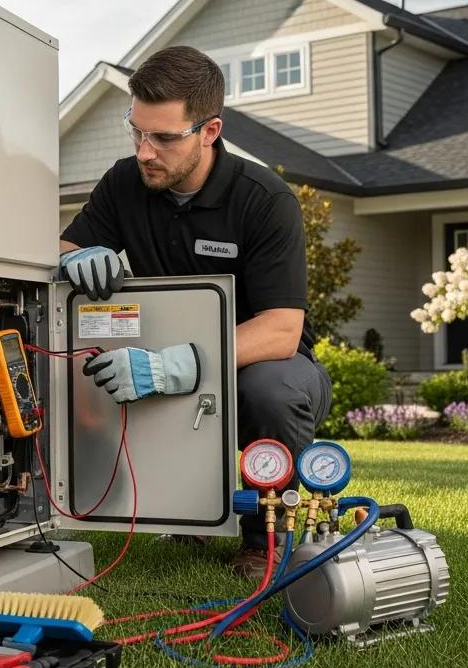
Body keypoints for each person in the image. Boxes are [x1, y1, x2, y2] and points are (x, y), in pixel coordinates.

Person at [59, 45, 332, 577]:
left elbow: (281, 330)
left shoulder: (264, 200)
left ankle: (265, 538)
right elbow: (66, 248)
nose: (145, 151)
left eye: (164, 138)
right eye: (136, 131)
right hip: (160, 352)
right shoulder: (124, 183)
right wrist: (73, 259)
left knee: (267, 392)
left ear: (210, 131)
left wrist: (176, 365)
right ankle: (183, 513)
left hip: (271, 369)